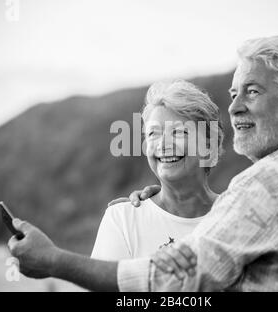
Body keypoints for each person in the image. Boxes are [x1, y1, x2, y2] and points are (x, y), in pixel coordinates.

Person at [8, 36, 278, 291]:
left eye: (252, 91)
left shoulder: (256, 192)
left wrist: (54, 260)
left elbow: (174, 283)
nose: (234, 107)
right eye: (153, 133)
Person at [90, 80, 224, 272]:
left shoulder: (239, 217)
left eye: (178, 132)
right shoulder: (123, 219)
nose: (163, 143)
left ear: (210, 149)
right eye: (153, 133)